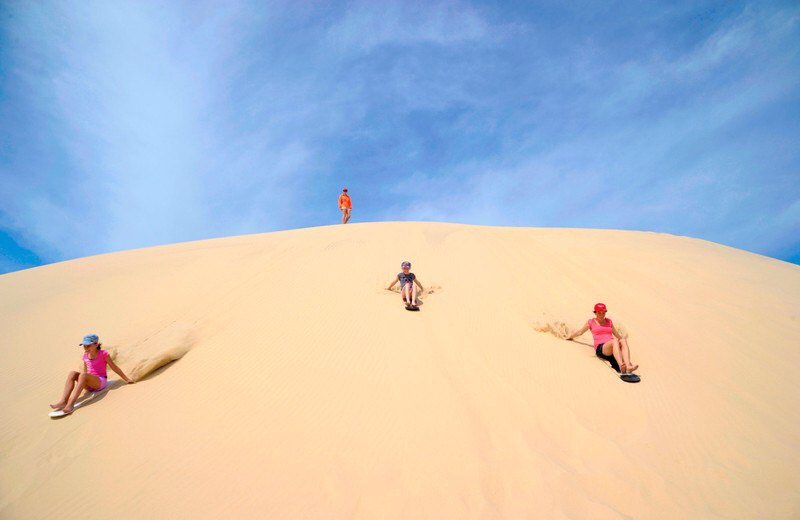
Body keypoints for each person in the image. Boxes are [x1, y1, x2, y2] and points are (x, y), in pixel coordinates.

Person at [50, 334, 134, 414]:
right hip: (89, 384)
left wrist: (126, 379)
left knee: (83, 375)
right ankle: (63, 401)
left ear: (96, 344)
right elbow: (86, 372)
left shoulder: (103, 354)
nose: (86, 348)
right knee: (72, 373)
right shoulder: (85, 356)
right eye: (84, 346)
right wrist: (82, 383)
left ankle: (70, 404)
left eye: (88, 345)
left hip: (100, 382)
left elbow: (114, 367)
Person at [565, 303, 639, 373]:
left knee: (622, 340)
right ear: (595, 313)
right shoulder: (591, 322)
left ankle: (628, 365)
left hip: (612, 345)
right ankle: (621, 365)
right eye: (599, 313)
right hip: (601, 348)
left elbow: (617, 334)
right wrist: (570, 336)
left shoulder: (609, 321)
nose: (601, 315)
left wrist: (623, 341)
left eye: (603, 313)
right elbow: (580, 332)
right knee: (615, 341)